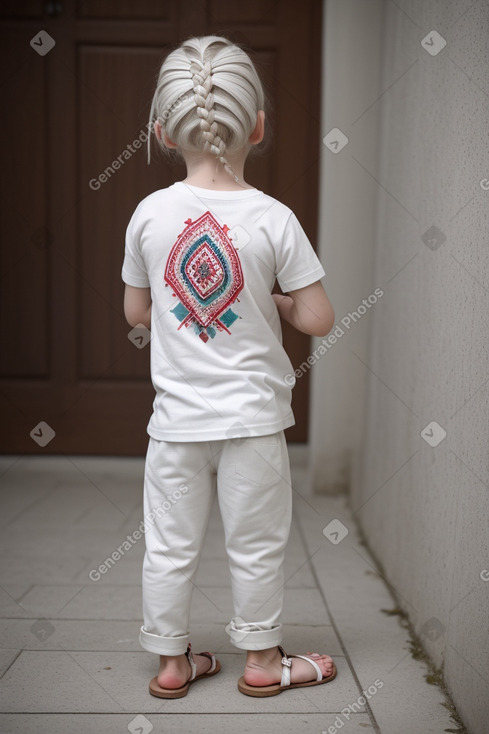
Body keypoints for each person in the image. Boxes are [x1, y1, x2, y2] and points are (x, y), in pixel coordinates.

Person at [122, 35, 337, 699]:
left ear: (159, 132)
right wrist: (270, 300)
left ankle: (170, 662)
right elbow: (317, 318)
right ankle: (263, 662)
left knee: (168, 546)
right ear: (259, 126)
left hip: (176, 426)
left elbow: (136, 313)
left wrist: (173, 305)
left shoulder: (149, 215)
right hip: (252, 421)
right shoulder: (275, 220)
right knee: (256, 544)